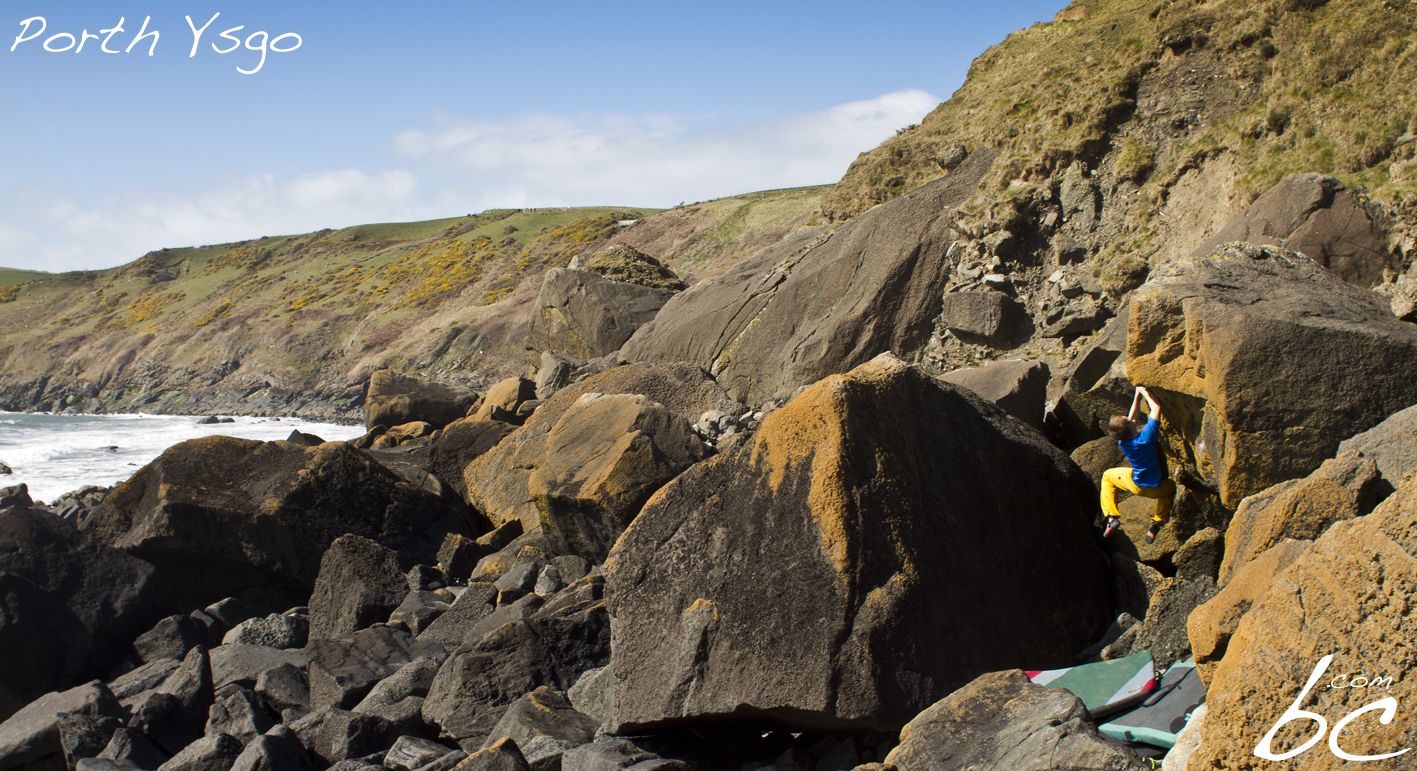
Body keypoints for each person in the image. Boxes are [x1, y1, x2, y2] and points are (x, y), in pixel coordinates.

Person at [1102, 386, 1176, 545]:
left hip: (1135, 485)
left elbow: (1131, 417)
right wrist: (1144, 392)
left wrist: (1136, 396)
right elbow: (1156, 408)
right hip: (1158, 487)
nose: (1128, 417)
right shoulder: (1148, 436)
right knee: (1171, 488)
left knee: (1108, 476)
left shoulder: (1123, 441)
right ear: (1129, 426)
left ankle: (1111, 517)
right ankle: (1158, 521)